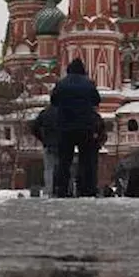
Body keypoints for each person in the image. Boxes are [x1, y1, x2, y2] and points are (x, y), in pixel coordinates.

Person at [50, 58, 102, 198]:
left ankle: (62, 190)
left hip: (65, 127)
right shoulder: (89, 84)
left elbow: (53, 101)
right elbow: (97, 100)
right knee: (86, 160)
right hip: (85, 127)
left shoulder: (61, 84)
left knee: (64, 161)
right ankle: (86, 190)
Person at [29, 105, 60, 197]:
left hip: (48, 144)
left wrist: (43, 139)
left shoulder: (45, 113)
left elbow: (34, 128)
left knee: (48, 169)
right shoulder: (65, 111)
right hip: (62, 144)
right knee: (62, 167)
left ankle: (49, 190)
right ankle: (61, 188)